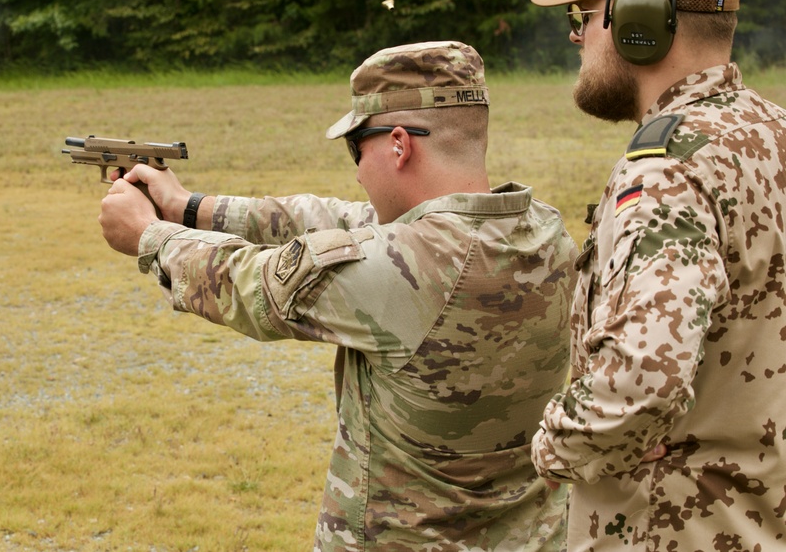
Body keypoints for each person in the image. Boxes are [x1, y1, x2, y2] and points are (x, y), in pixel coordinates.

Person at [97, 40, 577, 551]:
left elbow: (248, 281)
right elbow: (338, 220)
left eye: (357, 147)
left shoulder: (403, 265)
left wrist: (149, 235)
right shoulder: (542, 231)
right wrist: (187, 206)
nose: (356, 169)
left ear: (398, 144)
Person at [529, 0, 786, 551]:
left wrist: (551, 444)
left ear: (639, 22)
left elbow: (640, 381)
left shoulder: (670, 169)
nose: (578, 39)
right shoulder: (772, 134)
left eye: (584, 17)